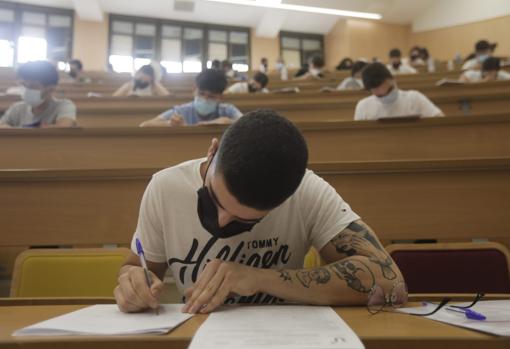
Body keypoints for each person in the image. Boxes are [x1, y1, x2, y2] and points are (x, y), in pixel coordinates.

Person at [114, 109, 407, 314]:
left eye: (244, 220)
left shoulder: (306, 190)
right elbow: (138, 266)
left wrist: (260, 278)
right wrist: (132, 282)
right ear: (212, 150)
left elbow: (391, 281)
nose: (220, 221)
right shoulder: (165, 187)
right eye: (214, 199)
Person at [140, 69, 242, 127]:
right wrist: (169, 123)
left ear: (221, 97)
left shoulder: (227, 110)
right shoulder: (182, 110)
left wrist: (229, 122)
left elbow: (250, 126)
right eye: (201, 94)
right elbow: (144, 125)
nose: (205, 99)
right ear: (194, 89)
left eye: (212, 96)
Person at [0, 61, 77, 128]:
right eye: (23, 85)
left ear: (51, 89)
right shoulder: (17, 108)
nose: (26, 90)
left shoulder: (64, 105)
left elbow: (64, 128)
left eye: (32, 86)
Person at [354, 63, 443, 121]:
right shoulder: (363, 106)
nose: (384, 96)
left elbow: (440, 119)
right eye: (379, 96)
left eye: (389, 91)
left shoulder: (414, 98)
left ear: (392, 80)